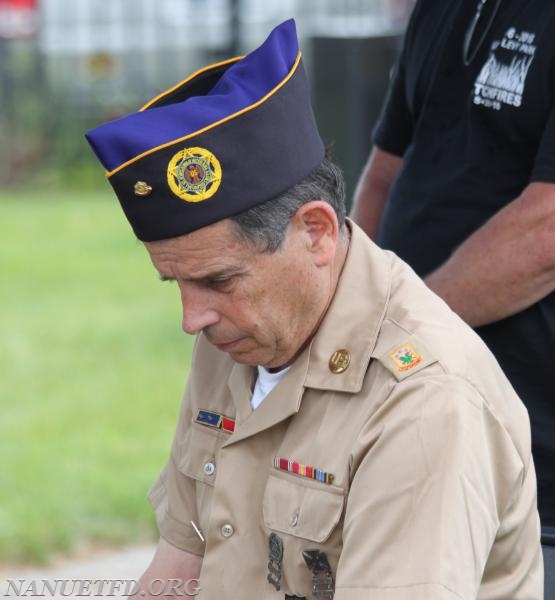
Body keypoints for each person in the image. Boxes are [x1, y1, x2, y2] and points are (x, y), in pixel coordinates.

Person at [86, 19, 543, 600]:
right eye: (174, 281)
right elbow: (182, 561)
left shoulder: (425, 400)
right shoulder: (238, 334)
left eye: (219, 279)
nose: (191, 318)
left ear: (317, 234)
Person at [350, 0, 555, 587]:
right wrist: (341, 308)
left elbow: (547, 232)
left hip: (535, 449)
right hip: (415, 413)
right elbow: (387, 171)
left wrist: (395, 330)